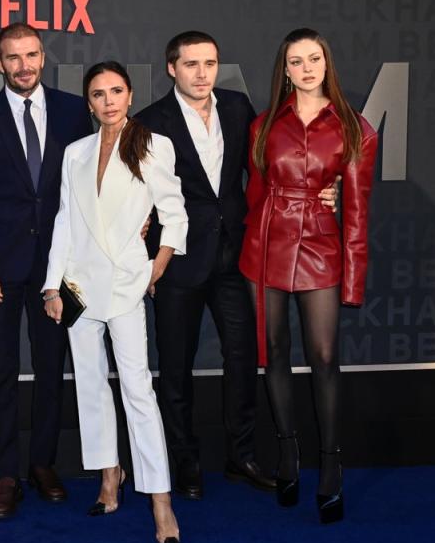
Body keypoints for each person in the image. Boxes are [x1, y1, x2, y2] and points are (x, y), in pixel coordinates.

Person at [135, 32, 337, 499]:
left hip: (236, 258)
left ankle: (241, 457)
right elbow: (135, 194)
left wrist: (330, 191)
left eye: (209, 63)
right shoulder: (149, 122)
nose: (202, 73)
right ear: (172, 69)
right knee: (177, 366)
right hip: (178, 262)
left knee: (244, 360)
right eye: (191, 65)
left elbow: (273, 171)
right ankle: (184, 463)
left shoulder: (238, 108)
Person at [43, 61, 184, 543]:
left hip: (126, 283)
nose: (108, 101)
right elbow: (64, 220)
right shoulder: (75, 152)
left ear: (129, 95)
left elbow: (174, 213)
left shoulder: (152, 144)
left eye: (116, 91)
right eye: (98, 94)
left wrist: (156, 266)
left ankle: (160, 499)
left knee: (137, 389)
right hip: (79, 287)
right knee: (89, 386)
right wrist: (51, 287)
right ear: (89, 102)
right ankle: (110, 475)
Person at [240, 28, 377, 524]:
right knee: (273, 353)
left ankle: (332, 465)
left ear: (327, 62)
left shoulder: (353, 126)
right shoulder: (263, 125)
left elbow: (358, 213)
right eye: (296, 62)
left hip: (320, 246)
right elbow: (255, 193)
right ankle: (288, 454)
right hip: (264, 245)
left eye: (314, 58)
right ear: (286, 69)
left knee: (324, 357)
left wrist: (353, 281)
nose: (306, 69)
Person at [0, 22, 94, 518]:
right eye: (12, 58)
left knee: (54, 367)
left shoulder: (76, 111)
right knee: (0, 371)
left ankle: (43, 463)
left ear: (43, 56)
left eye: (31, 55)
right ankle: (6, 473)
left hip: (61, 267)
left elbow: (91, 184)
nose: (23, 66)